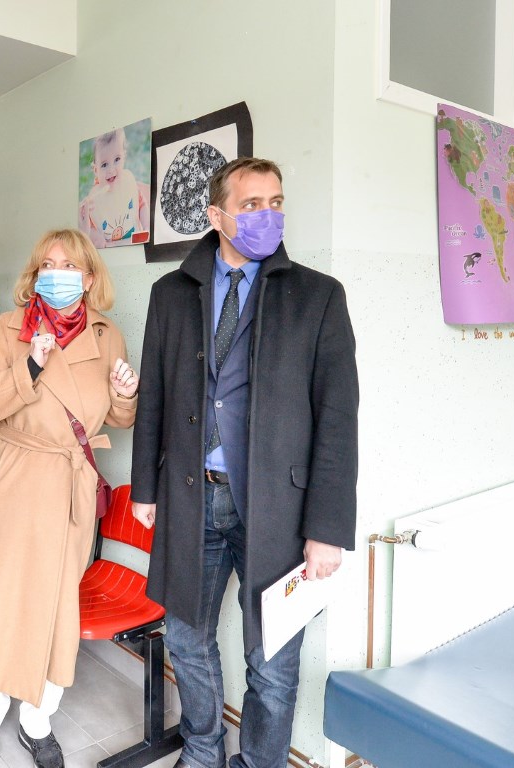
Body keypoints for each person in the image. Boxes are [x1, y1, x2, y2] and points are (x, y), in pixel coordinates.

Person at [130, 157, 358, 768]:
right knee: (186, 635)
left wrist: (327, 528)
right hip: (190, 493)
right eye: (252, 204)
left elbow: (338, 418)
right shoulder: (171, 293)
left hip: (279, 506)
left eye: (275, 202)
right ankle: (203, 751)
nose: (268, 215)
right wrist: (144, 487)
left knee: (272, 655)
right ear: (217, 215)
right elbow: (154, 393)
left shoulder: (318, 296)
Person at [0, 229, 139, 768]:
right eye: (47, 265)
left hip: (67, 482)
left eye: (70, 265)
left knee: (56, 604)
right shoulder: (9, 328)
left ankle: (38, 720)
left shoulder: (107, 334)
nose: (58, 275)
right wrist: (29, 367)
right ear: (34, 275)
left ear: (90, 277)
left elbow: (117, 418)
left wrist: (126, 395)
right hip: (9, 478)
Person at [78, 127, 150, 249]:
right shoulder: (95, 201)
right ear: (95, 170)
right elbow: (89, 227)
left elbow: (142, 205)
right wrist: (96, 237)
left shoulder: (128, 184)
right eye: (104, 165)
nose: (111, 170)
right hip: (112, 249)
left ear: (124, 157)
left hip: (134, 244)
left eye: (117, 159)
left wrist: (146, 226)